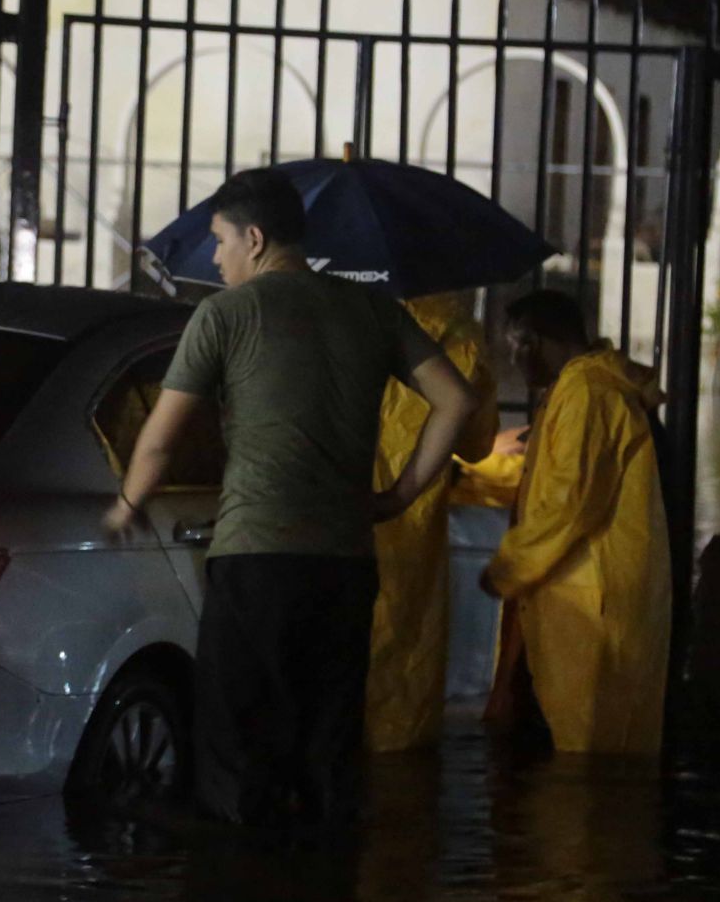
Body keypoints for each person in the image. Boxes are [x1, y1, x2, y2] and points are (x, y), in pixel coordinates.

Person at [104, 167, 480, 829]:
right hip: (345, 562)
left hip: (257, 558)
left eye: (220, 242)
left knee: (238, 747)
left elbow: (161, 440)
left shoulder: (225, 314)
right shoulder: (374, 310)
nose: (216, 258)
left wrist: (127, 503)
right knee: (328, 745)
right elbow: (456, 401)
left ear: (253, 238)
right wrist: (398, 495)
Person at [474, 289, 672, 756]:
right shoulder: (586, 389)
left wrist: (509, 568)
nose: (514, 361)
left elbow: (568, 501)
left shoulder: (586, 393)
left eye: (514, 348)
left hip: (589, 592)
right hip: (587, 586)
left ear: (533, 342)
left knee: (588, 743)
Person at [365, 291, 498, 752]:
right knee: (406, 640)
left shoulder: (351, 313)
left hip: (344, 504)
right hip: (413, 509)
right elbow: (478, 446)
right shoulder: (462, 337)